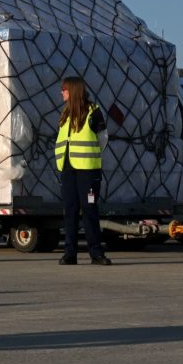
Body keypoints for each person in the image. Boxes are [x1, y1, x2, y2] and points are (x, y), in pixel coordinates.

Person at [55, 76, 112, 266]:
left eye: (64, 89)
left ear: (73, 90)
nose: (61, 92)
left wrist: (92, 155)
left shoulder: (93, 112)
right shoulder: (65, 114)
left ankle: (96, 253)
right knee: (69, 211)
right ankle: (70, 253)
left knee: (89, 210)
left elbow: (103, 139)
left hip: (87, 170)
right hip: (68, 168)